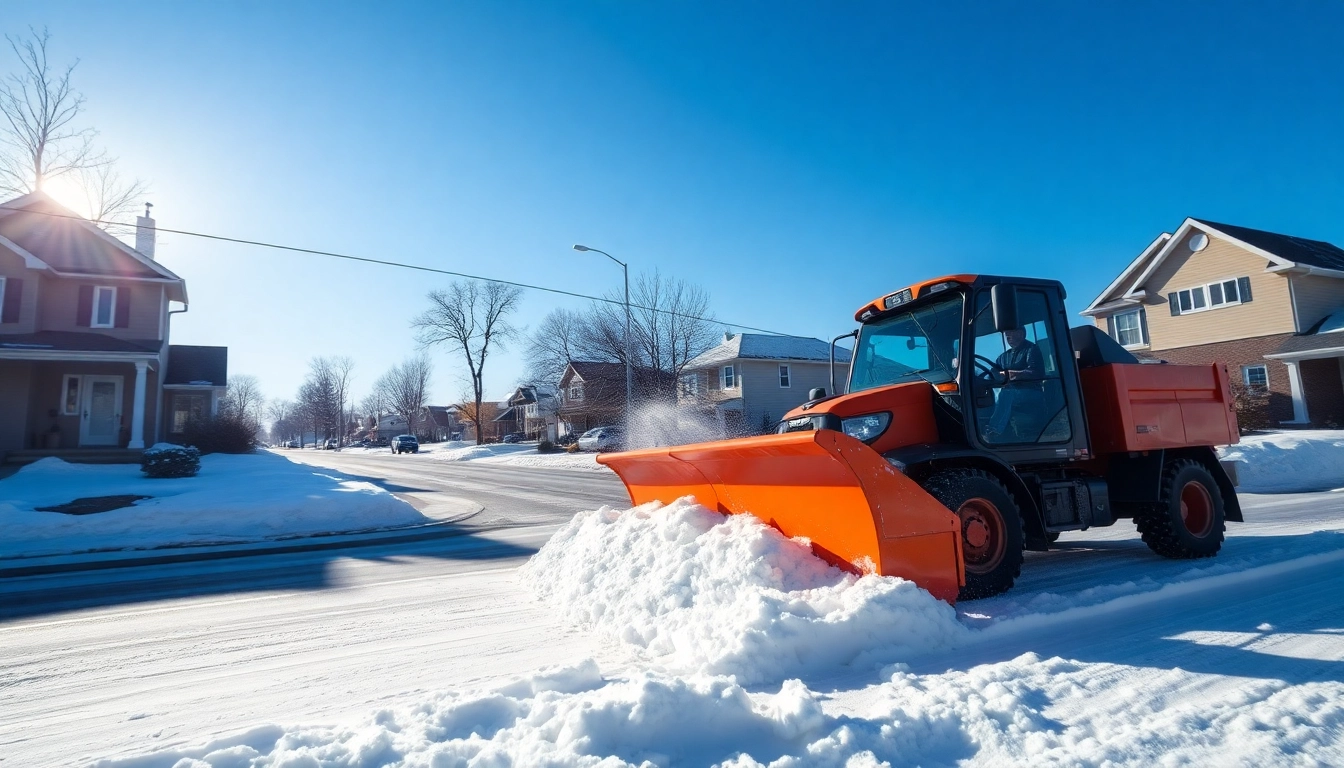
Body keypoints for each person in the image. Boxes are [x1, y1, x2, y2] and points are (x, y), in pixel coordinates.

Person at [986, 328, 1045, 441]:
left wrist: (1010, 374)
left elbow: (1037, 373)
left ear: (1021, 333)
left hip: (1032, 393)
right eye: (1006, 334)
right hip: (1011, 394)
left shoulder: (1031, 349)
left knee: (1006, 394)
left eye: (1011, 332)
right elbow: (994, 372)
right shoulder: (1003, 357)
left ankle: (994, 430)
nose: (1007, 335)